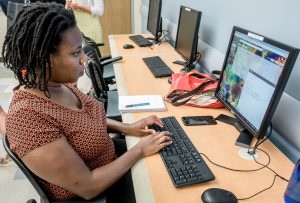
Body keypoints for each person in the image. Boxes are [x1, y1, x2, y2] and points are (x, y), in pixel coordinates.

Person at [1, 2, 172, 202]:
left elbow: (81, 121)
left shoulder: (57, 85)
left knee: (173, 158)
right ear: (43, 59)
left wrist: (129, 128)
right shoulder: (27, 118)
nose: (84, 59)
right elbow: (88, 186)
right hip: (99, 192)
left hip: (111, 163)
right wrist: (139, 149)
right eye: (75, 53)